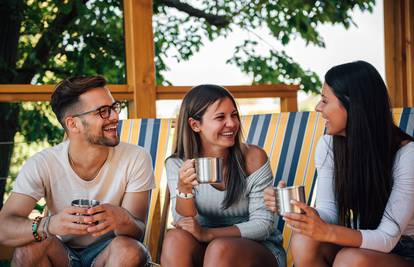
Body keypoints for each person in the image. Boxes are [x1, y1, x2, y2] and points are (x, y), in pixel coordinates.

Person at [263, 60, 414, 266]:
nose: (317, 107)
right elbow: (330, 215)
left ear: (353, 104)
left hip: (405, 249)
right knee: (305, 239)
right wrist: (299, 211)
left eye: (325, 100)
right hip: (364, 242)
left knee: (350, 259)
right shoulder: (329, 146)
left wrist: (327, 231)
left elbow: (387, 237)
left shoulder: (407, 155)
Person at [0, 76, 155, 266]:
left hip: (111, 254)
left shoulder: (136, 158)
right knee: (28, 248)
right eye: (103, 112)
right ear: (73, 124)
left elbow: (137, 232)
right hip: (61, 254)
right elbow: (3, 228)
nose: (115, 116)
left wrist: (121, 219)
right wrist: (49, 225)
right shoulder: (44, 164)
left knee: (129, 250)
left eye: (114, 107)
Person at [160, 84, 285, 267]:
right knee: (174, 240)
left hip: (258, 249)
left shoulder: (253, 158)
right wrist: (185, 189)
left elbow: (263, 225)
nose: (232, 123)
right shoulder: (178, 163)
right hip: (206, 246)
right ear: (195, 125)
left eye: (234, 115)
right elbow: (183, 223)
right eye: (221, 117)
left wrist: (208, 234)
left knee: (219, 248)